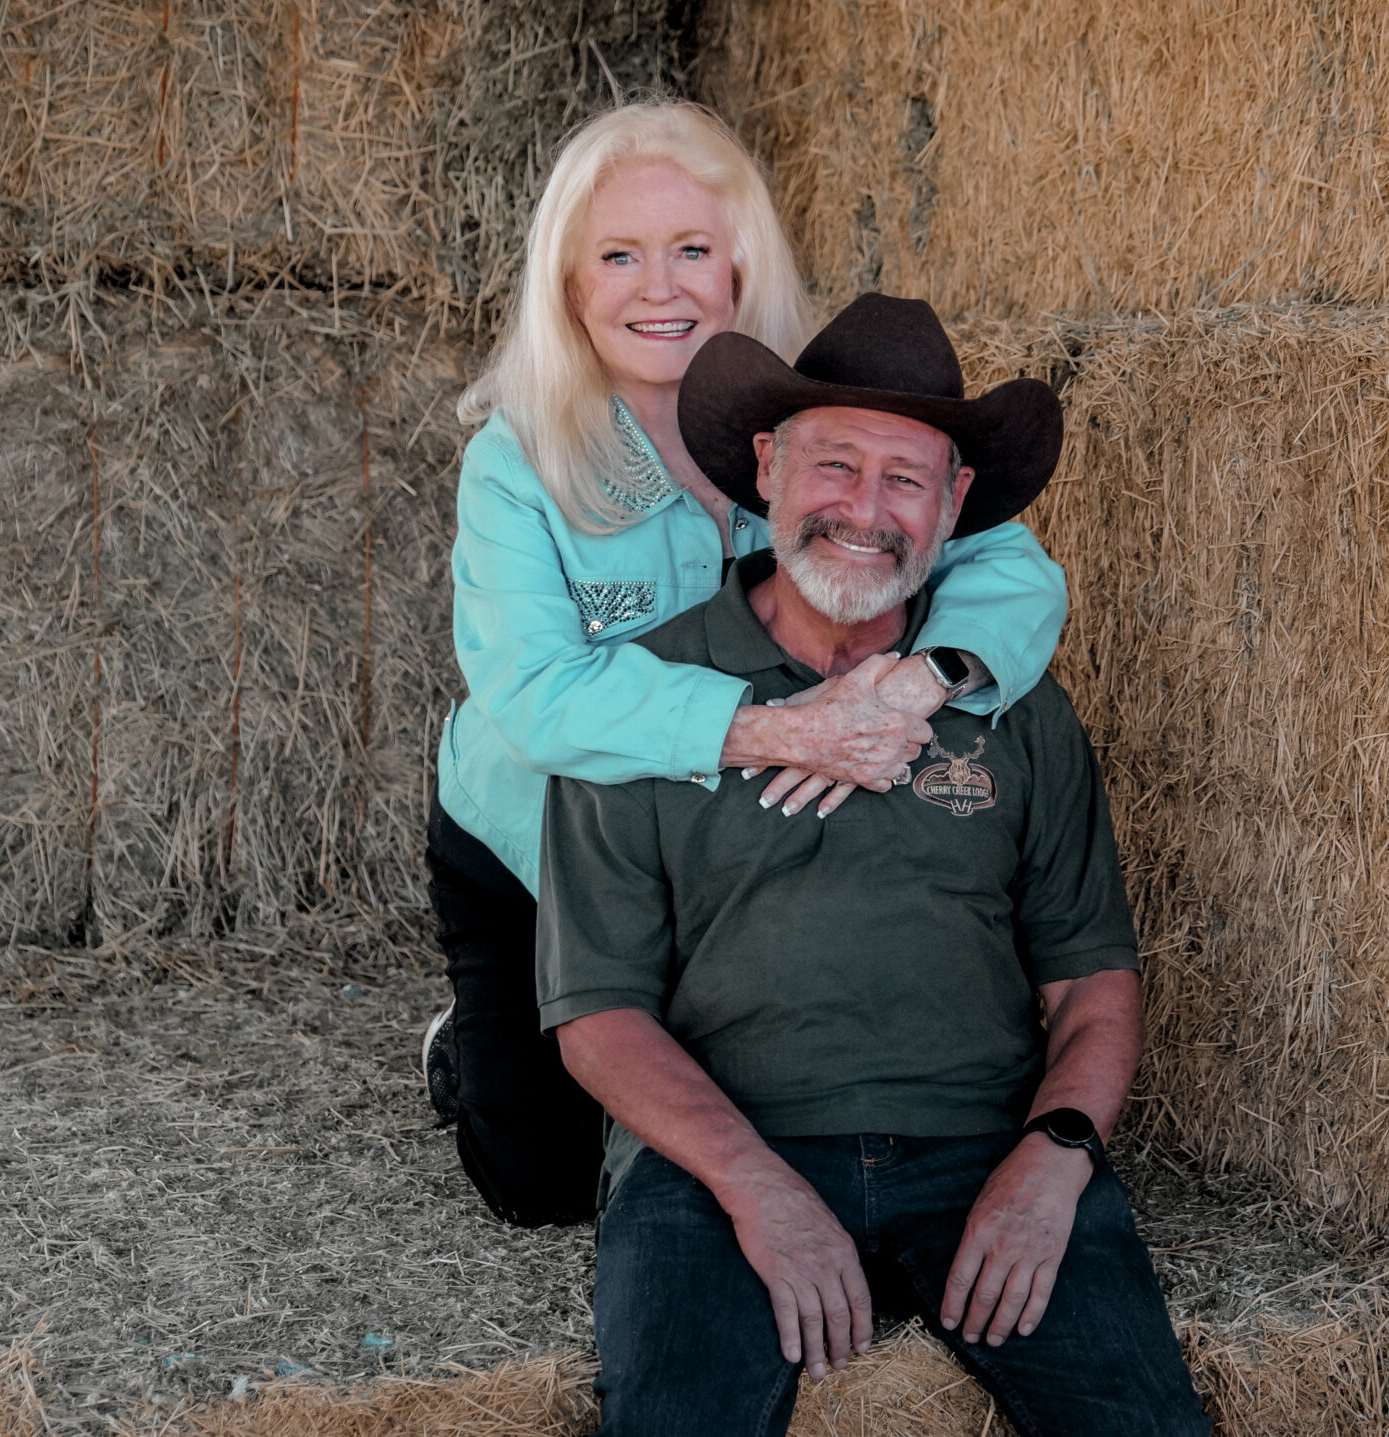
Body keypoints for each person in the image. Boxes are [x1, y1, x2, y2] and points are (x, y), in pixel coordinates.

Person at [536, 294, 1208, 1435]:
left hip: (981, 1150)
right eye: (835, 464)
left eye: (906, 479)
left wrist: (1057, 1158)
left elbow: (1090, 979)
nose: (865, 508)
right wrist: (755, 1188)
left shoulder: (1011, 703)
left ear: (954, 506)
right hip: (715, 1160)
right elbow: (597, 1013)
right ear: (765, 469)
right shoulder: (645, 702)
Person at [429, 103, 1070, 1228]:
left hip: (734, 848)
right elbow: (534, 697)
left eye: (691, 252)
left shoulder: (813, 420)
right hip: (537, 842)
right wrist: (782, 729)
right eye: (618, 256)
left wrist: (916, 683)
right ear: (570, 286)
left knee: (764, 1124)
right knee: (541, 1187)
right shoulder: (517, 457)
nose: (658, 288)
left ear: (738, 270)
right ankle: (471, 1038)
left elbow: (1018, 574)